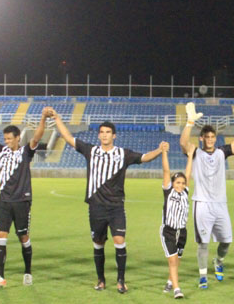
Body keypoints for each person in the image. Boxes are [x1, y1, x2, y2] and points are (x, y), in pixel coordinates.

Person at [53, 113, 165, 293]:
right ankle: (101, 279)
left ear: (114, 136)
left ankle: (121, 280)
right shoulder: (91, 151)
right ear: (99, 135)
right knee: (98, 243)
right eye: (102, 132)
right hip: (96, 207)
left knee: (119, 240)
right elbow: (68, 138)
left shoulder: (123, 154)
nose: (104, 135)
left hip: (116, 207)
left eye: (108, 132)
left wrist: (159, 150)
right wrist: (57, 119)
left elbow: (144, 157)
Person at [179, 101, 234, 289]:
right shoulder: (195, 153)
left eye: (212, 136)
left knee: (226, 241)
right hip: (202, 203)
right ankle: (203, 276)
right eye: (207, 137)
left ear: (215, 137)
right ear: (202, 138)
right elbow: (183, 143)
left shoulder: (222, 152)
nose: (210, 139)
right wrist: (189, 123)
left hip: (221, 203)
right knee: (203, 243)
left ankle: (218, 261)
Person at [0, 108, 52, 288]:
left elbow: (37, 136)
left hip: (21, 202)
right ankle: (0, 277)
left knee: (23, 237)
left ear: (18, 138)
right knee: (0, 236)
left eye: (10, 139)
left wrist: (42, 117)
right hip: (4, 201)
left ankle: (27, 271)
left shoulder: (25, 151)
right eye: (5, 139)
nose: (7, 142)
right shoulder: (1, 151)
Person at [160, 142, 194, 299]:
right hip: (169, 231)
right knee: (172, 261)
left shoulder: (185, 191)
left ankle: (169, 281)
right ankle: (177, 289)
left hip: (182, 232)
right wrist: (164, 152)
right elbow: (166, 170)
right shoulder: (168, 192)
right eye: (177, 182)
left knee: (177, 260)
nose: (180, 185)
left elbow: (188, 171)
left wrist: (190, 155)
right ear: (172, 183)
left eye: (182, 182)